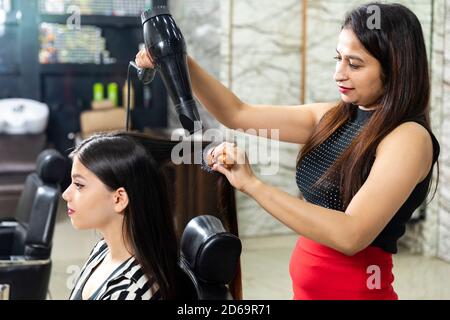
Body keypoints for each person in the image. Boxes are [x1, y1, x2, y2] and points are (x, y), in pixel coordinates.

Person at [136, 3, 440, 300]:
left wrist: (252, 185)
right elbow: (236, 113)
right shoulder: (334, 117)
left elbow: (351, 235)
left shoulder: (408, 138)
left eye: (355, 64)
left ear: (395, 68)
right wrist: (176, 58)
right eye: (338, 58)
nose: (338, 74)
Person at [62, 132, 179, 300]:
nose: (66, 194)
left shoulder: (130, 292)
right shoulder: (103, 249)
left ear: (119, 198)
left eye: (79, 185)